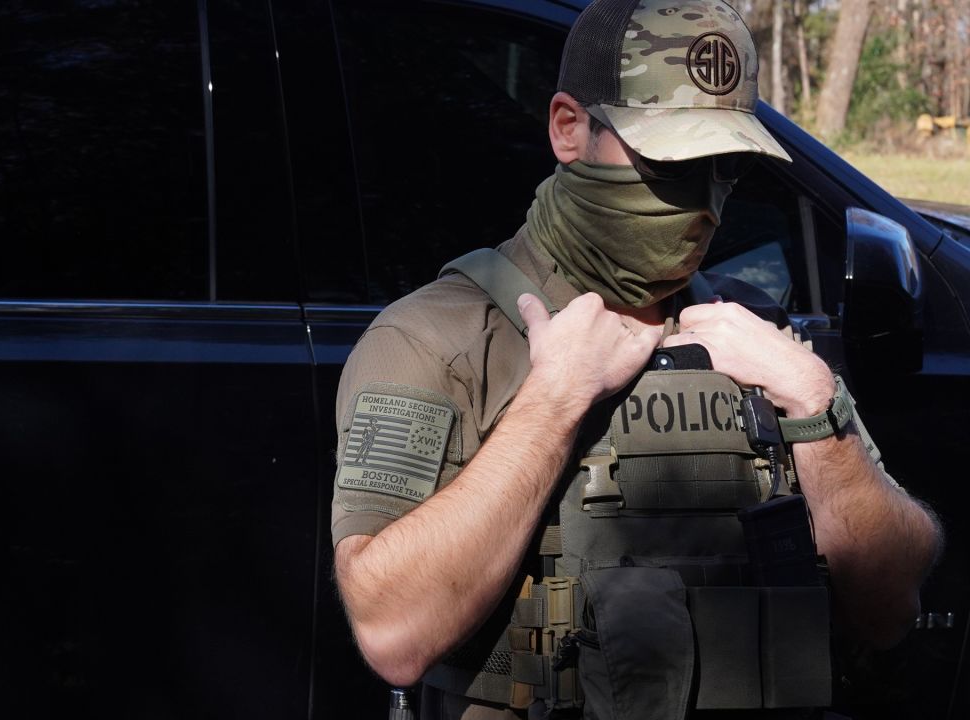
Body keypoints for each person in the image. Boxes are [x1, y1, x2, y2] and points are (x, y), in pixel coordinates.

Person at [329, 0, 944, 718]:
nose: (702, 197)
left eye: (724, 165)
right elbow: (390, 631)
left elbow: (891, 606)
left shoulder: (756, 338)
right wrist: (555, 399)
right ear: (569, 128)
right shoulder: (439, 339)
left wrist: (814, 401)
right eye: (669, 158)